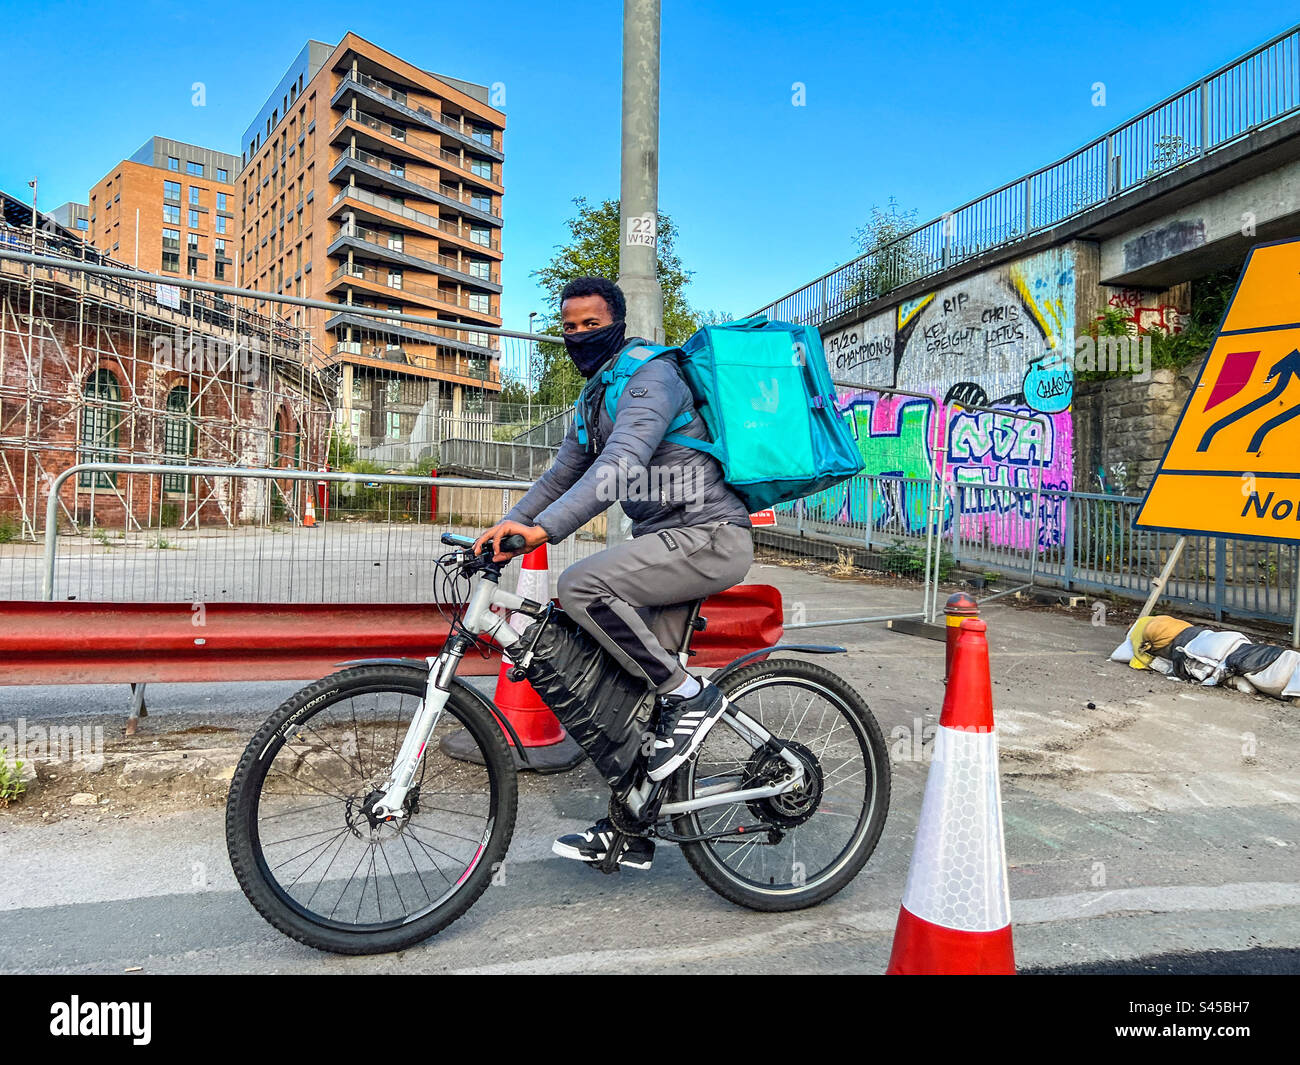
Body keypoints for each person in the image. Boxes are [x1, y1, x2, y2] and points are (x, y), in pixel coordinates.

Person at [474, 276, 753, 870]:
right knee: (634, 697)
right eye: (569, 327)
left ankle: (691, 695)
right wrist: (504, 529)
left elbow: (620, 464)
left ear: (619, 323)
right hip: (667, 541)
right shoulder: (594, 397)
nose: (578, 336)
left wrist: (544, 533)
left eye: (590, 325)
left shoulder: (652, 376)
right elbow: (559, 477)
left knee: (581, 586)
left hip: (709, 534)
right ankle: (634, 830)